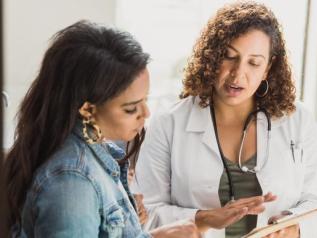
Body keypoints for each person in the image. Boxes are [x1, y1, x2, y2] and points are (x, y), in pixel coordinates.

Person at [132, 2, 317, 238]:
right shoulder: (169, 123)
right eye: (228, 56)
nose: (238, 74)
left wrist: (292, 228)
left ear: (268, 67)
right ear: (212, 57)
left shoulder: (298, 120)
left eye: (254, 62)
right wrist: (202, 217)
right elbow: (143, 213)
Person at [4, 20, 200, 238]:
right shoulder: (72, 181)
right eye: (131, 108)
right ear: (88, 110)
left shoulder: (94, 151)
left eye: (145, 99)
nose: (146, 113)